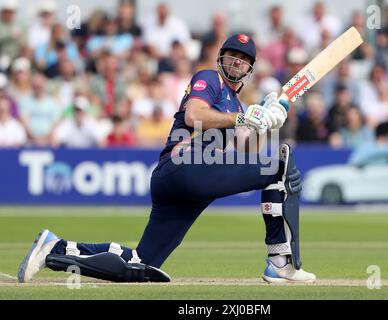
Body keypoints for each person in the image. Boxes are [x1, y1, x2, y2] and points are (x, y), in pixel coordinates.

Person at [18, 34, 316, 284]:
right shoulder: (208, 79)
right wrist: (243, 116)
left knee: (140, 265)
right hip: (184, 167)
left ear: (251, 67)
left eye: (243, 58)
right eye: (231, 55)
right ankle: (280, 260)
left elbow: (246, 152)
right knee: (279, 166)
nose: (236, 61)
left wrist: (264, 124)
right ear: (221, 58)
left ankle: (54, 249)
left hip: (186, 184)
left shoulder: (237, 104)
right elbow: (194, 114)